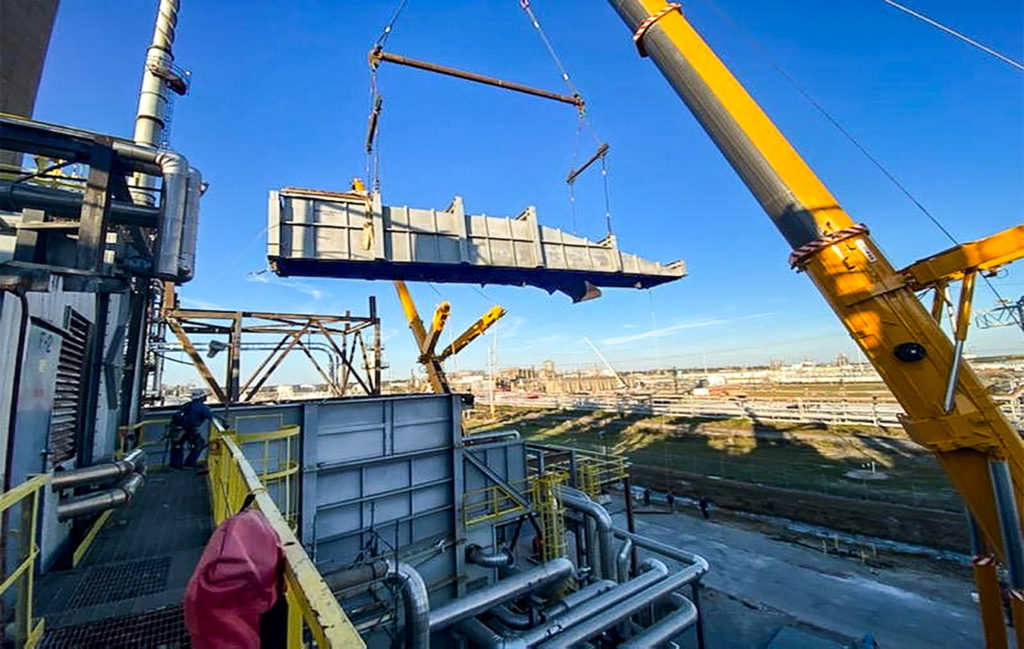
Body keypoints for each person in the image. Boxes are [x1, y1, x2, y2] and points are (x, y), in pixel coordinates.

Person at [168, 389, 218, 469]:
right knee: (199, 444)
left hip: (177, 428)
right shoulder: (201, 407)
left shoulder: (187, 405)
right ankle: (189, 463)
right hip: (188, 429)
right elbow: (211, 417)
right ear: (201, 398)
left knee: (177, 446)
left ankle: (175, 465)